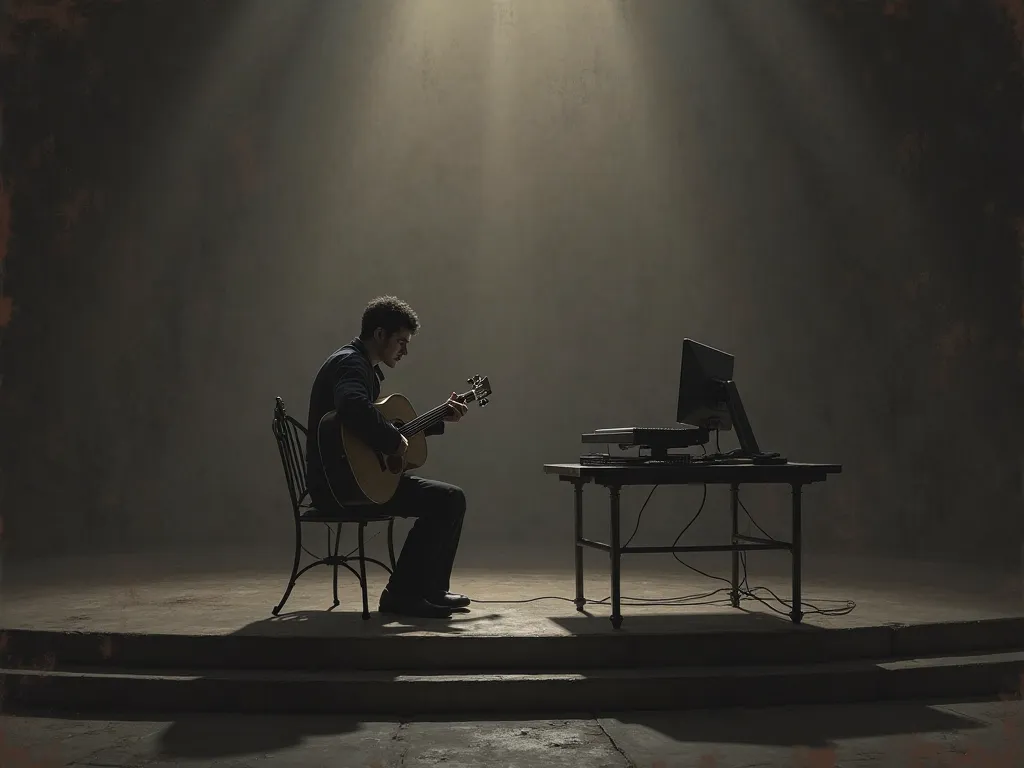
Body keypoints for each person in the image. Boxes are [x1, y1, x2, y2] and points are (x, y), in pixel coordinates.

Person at [305, 296, 470, 619]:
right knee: (448, 500)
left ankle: (432, 590)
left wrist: (437, 419)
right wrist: (392, 440)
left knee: (449, 499)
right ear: (379, 335)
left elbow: (374, 430)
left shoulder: (356, 363)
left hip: (345, 481)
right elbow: (353, 407)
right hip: (342, 488)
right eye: (401, 341)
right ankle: (403, 595)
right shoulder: (353, 364)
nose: (404, 351)